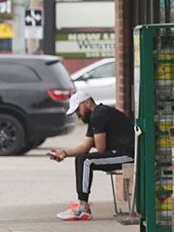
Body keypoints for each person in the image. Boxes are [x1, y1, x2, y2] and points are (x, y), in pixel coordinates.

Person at [48, 91, 135, 221]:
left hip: (128, 154)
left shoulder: (99, 115)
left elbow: (101, 148)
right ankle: (82, 206)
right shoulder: (95, 116)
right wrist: (64, 153)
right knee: (82, 159)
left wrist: (96, 140)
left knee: (86, 161)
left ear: (87, 103)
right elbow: (84, 147)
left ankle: (83, 207)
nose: (78, 115)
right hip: (118, 153)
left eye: (78, 110)